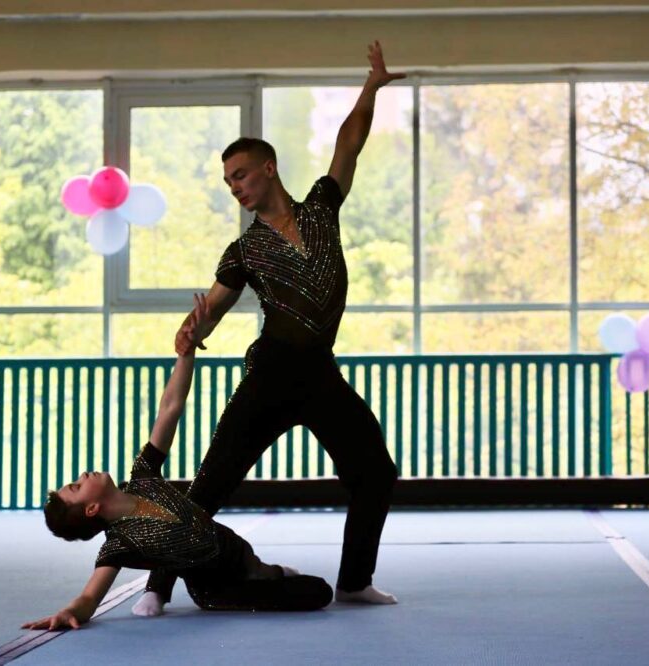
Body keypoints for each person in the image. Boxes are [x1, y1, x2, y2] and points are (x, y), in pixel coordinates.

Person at [133, 41, 405, 618]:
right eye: (228, 182)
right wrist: (189, 332)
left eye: (240, 175)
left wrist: (371, 88)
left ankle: (354, 580)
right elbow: (212, 307)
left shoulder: (321, 210)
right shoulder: (244, 250)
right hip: (270, 375)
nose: (234, 187)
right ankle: (157, 585)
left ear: (269, 168)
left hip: (320, 376)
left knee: (376, 473)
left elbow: (348, 144)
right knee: (211, 483)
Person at [22, 295, 332, 631]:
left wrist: (187, 351)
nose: (83, 475)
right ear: (92, 508)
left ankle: (272, 573)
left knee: (264, 571)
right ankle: (252, 580)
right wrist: (69, 612)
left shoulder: (143, 476)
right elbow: (89, 597)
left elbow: (170, 407)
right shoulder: (119, 545)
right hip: (219, 588)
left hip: (233, 547)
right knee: (318, 592)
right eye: (77, 486)